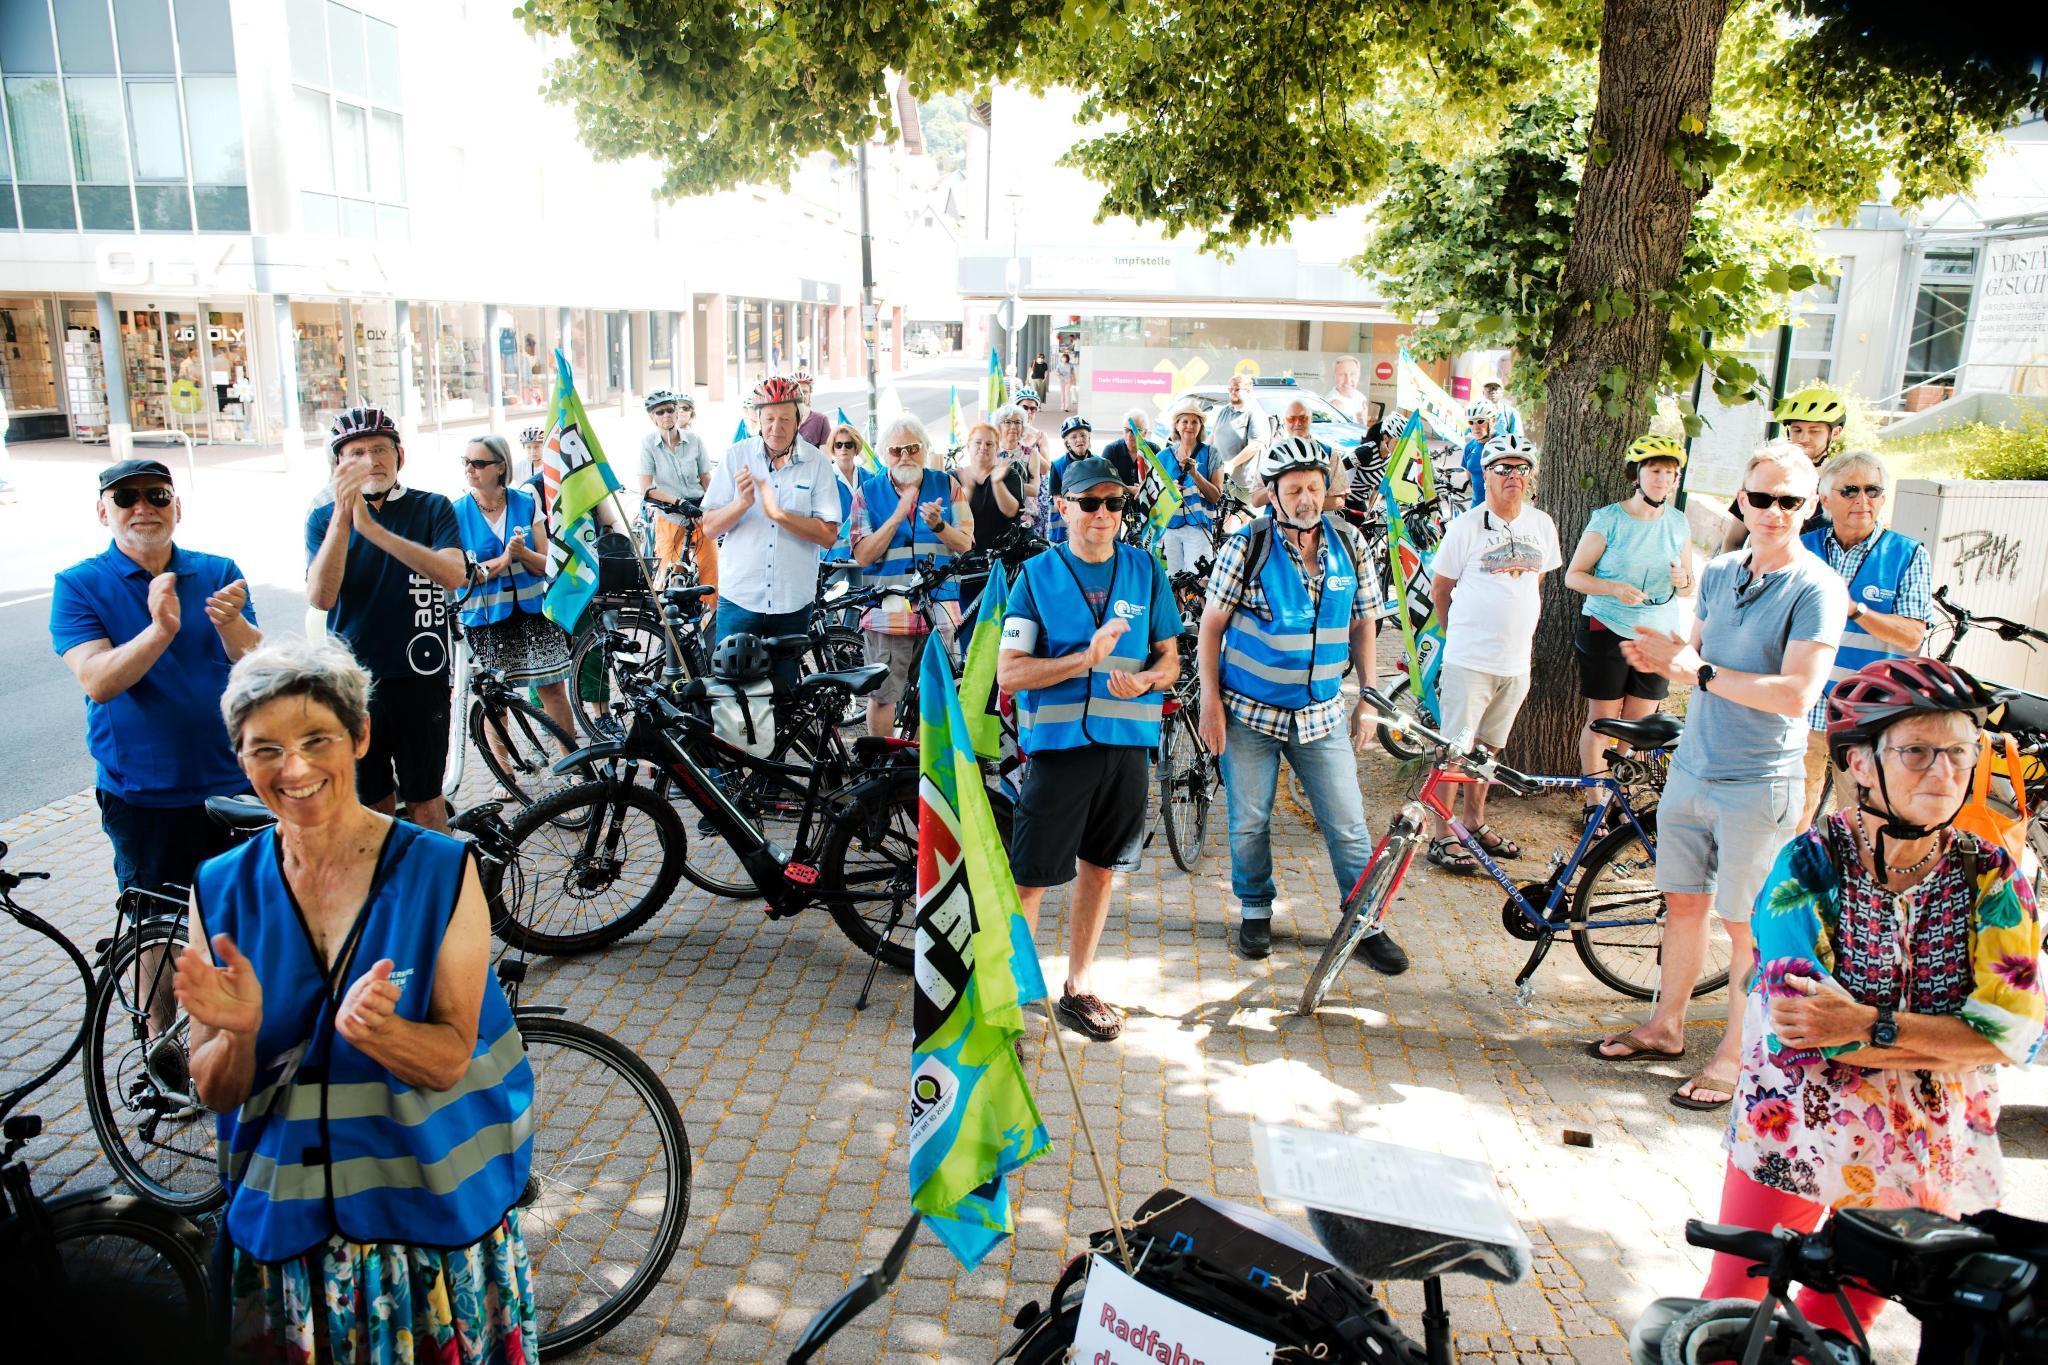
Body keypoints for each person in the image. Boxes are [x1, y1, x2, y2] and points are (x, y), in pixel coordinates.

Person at [177, 635, 537, 1363]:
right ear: (239, 757)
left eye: (318, 739)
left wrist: (380, 1035)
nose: (296, 768)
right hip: (288, 1240)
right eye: (264, 748)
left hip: (424, 1234)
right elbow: (216, 1089)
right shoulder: (218, 888)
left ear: (361, 734)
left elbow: (447, 1060)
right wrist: (240, 1034)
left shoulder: (440, 870)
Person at [1693, 657, 2043, 1337]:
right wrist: (1949, 1037)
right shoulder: (1808, 864)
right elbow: (1806, 1027)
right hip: (1793, 1125)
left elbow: (2014, 1033)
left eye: (1960, 752)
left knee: (1842, 1318)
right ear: (1858, 762)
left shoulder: (1995, 875)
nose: (1944, 773)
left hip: (1921, 1146)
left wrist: (1869, 1022)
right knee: (1736, 1306)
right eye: (1917, 752)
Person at [1600, 441, 1847, 1110]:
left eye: (1789, 501)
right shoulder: (1721, 572)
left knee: (1746, 925)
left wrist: (1698, 672)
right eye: (1761, 497)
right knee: (1682, 904)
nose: (1772, 511)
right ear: (1741, 497)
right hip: (1694, 767)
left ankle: (1737, 1056)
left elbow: (1798, 694)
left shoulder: (1818, 587)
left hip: (1757, 781)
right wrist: (1663, 651)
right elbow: (1696, 654)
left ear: (1809, 506)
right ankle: (1665, 1025)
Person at [1197, 437, 1406, 970]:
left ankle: (1365, 923)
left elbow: (1364, 622)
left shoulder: (1351, 542)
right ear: (1272, 494)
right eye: (1294, 489)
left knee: (1348, 822)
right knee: (1248, 821)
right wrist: (1210, 706)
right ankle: (1255, 911)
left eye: (1314, 487)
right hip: (1248, 712)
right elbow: (1210, 628)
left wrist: (1367, 696)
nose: (1307, 498)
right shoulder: (1246, 545)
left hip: (1321, 712)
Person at [999, 456, 1180, 1041]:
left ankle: (1078, 988)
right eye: (1089, 503)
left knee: (1100, 870)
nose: (1103, 515)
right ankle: (1013, 1000)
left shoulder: (1146, 569)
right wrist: (1085, 660)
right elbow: (1009, 674)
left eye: (1115, 503)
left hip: (1127, 746)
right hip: (1060, 748)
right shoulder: (1036, 576)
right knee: (1031, 877)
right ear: (1063, 506)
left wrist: (1148, 680)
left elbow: (1171, 660)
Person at [53, 458, 261, 898]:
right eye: (126, 498)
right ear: (102, 511)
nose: (143, 507)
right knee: (158, 932)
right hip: (145, 796)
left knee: (247, 920)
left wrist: (231, 625)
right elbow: (97, 680)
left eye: (157, 496)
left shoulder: (218, 570)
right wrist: (160, 631)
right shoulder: (78, 584)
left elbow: (257, 663)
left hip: (234, 783)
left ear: (177, 508)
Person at [306, 407, 466, 834]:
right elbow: (321, 597)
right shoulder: (322, 519)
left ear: (400, 457)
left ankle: (438, 896)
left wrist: (375, 531)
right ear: (337, 466)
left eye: (380, 450)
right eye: (355, 453)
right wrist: (345, 518)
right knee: (372, 805)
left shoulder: (432, 508)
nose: (371, 461)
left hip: (421, 678)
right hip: (354, 684)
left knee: (426, 802)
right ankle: (386, 893)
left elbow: (453, 574)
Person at [1423, 432, 1562, 875]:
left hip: (1515, 662)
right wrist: (1457, 635)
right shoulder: (1466, 527)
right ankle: (1440, 833)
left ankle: (1474, 821)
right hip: (1470, 659)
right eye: (1503, 468)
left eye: (1521, 468)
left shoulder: (1542, 524)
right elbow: (1440, 589)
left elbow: (1536, 581)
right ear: (1486, 476)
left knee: (1488, 750)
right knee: (1455, 749)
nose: (1513, 477)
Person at [1562, 434, 1695, 829]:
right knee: (1603, 720)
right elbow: (1574, 576)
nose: (1662, 479)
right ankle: (1593, 801)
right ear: (1637, 475)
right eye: (1655, 471)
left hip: (1657, 635)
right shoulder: (1609, 519)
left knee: (1639, 728)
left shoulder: (1678, 522)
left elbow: (1688, 588)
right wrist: (1615, 587)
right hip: (1607, 628)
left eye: (1670, 474)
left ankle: (1620, 798)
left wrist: (1683, 578)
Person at [1799, 449, 1931, 822]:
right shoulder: (1802, 549)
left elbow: (1911, 637)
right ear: (1824, 499)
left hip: (1867, 717)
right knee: (1787, 821)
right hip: (1803, 709)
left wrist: (1855, 609)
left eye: (1873, 490)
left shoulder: (1907, 554)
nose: (1863, 500)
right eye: (1850, 491)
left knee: (1862, 824)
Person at [700, 376, 842, 690]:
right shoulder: (737, 456)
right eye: (769, 419)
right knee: (730, 694)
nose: (776, 427)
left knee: (783, 695)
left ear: (799, 421)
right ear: (758, 419)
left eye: (785, 419)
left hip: (792, 602)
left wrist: (778, 514)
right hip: (740, 599)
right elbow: (709, 527)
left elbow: (829, 534)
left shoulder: (817, 464)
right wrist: (742, 503)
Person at [452, 434, 576, 757]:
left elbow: (548, 562)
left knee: (553, 690)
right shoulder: (456, 513)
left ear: (500, 467)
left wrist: (522, 556)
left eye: (478, 463)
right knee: (495, 698)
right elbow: (459, 576)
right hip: (486, 618)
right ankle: (504, 771)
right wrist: (503, 561)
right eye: (466, 462)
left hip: (534, 614)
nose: (470, 469)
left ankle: (572, 762)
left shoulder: (525, 502)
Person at [852, 414, 973, 735]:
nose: (904, 455)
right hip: (888, 617)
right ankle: (881, 771)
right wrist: (895, 517)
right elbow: (863, 554)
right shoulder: (867, 492)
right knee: (883, 697)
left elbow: (965, 544)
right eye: (896, 450)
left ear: (925, 449)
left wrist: (938, 525)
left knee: (932, 698)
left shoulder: (948, 486)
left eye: (912, 448)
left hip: (940, 614)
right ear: (884, 455)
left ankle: (920, 769)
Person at [1720, 384, 1844, 552]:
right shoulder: (1766, 474)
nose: (1803, 438)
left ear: (1835, 433)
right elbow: (1733, 541)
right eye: (1796, 429)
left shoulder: (1842, 485)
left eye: (1815, 431)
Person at [636, 389, 718, 598]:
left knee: (711, 570)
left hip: (700, 512)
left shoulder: (695, 441)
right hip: (670, 514)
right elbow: (646, 488)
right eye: (660, 412)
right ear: (652, 417)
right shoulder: (648, 444)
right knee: (670, 571)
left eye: (670, 410)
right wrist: (679, 502)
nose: (666, 416)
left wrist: (717, 502)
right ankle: (670, 624)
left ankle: (709, 623)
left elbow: (706, 478)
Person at [1151, 397, 1224, 574]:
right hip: (1169, 528)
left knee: (1198, 582)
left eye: (1194, 422)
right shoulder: (1162, 456)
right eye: (1184, 421)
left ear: (1201, 427)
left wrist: (1194, 474)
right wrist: (1169, 491)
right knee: (1171, 582)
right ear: (1176, 425)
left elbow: (1215, 496)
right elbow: (1153, 497)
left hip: (1198, 528)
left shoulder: (1211, 453)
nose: (1189, 426)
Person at [957, 421, 1025, 553]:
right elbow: (952, 518)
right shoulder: (954, 476)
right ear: (968, 446)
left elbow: (1011, 512)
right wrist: (967, 489)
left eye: (989, 444)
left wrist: (997, 483)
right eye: (978, 442)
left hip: (1002, 555)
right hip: (964, 556)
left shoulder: (1010, 474)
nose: (983, 447)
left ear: (997, 449)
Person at [992, 402, 1049, 529]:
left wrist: (1000, 483)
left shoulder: (1031, 454)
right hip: (996, 514)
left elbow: (1034, 490)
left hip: (1026, 518)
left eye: (1017, 422)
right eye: (1007, 422)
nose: (1013, 426)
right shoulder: (992, 452)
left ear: (1023, 427)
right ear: (999, 427)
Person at [1044, 415, 1095, 546]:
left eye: (1083, 435)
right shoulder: (1057, 465)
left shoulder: (1099, 463)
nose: (1080, 440)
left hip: (1091, 524)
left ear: (1089, 437)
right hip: (1064, 528)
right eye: (1074, 437)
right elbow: (1056, 498)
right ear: (1067, 442)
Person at [821, 420, 864, 563]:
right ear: (833, 448)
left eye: (848, 444)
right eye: (838, 445)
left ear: (855, 447)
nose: (843, 448)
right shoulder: (824, 478)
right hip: (834, 554)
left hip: (862, 550)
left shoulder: (869, 478)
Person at [1095, 407, 1151, 491]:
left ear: (1145, 433)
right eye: (1126, 430)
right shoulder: (1111, 450)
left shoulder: (1153, 450)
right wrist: (1129, 489)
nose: (1129, 435)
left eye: (1135, 431)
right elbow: (1103, 482)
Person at [1460, 400, 1497, 502]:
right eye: (1471, 422)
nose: (1476, 427)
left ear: (1493, 421)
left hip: (1499, 509)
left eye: (1481, 421)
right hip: (1476, 506)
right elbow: (1469, 476)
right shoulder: (1469, 446)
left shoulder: (1504, 443)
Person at [793, 372, 832, 448]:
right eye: (797, 392)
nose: (801, 396)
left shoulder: (821, 420)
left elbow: (826, 455)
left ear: (810, 394)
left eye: (804, 392)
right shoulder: (781, 420)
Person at [1326, 354, 1368, 424]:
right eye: (1342, 374)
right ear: (1334, 376)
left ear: (1358, 376)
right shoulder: (1335, 404)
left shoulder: (1360, 397)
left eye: (1352, 374)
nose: (1348, 380)